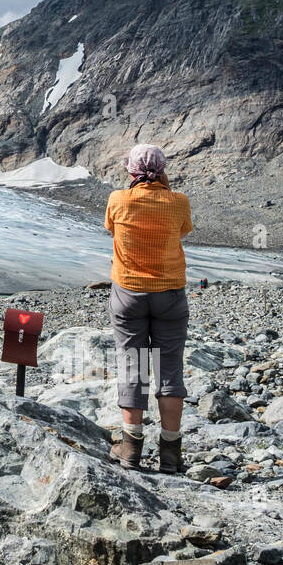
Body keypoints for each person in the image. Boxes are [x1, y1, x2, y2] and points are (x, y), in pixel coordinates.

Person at [103, 144, 193, 473]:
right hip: (169, 293)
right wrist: (165, 190)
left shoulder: (118, 199)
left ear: (130, 170)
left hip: (129, 293)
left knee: (133, 363)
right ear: (163, 169)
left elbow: (112, 229)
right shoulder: (178, 201)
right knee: (170, 368)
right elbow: (183, 231)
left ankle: (130, 449)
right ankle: (170, 453)